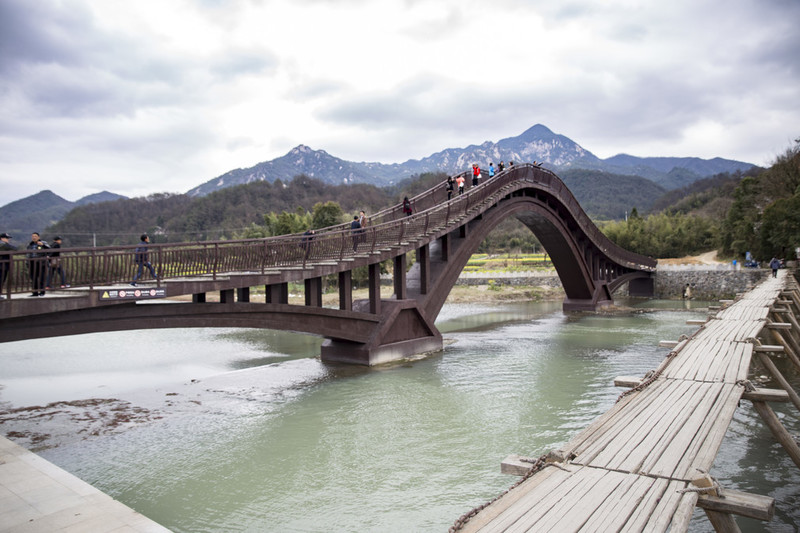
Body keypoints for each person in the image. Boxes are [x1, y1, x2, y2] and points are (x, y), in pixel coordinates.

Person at [26, 232, 50, 296]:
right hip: (32, 263)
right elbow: (27, 254)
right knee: (33, 278)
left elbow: (50, 250)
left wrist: (43, 245)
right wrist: (27, 263)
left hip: (41, 263)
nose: (34, 237)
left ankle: (42, 292)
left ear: (38, 237)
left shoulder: (43, 243)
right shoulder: (30, 245)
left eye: (35, 236)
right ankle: (35, 292)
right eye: (33, 236)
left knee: (42, 278)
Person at [0, 232, 17, 299]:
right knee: (1, 279)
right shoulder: (3, 245)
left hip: (3, 265)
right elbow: (15, 249)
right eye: (6, 238)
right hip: (2, 266)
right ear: (2, 238)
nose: (8, 240)